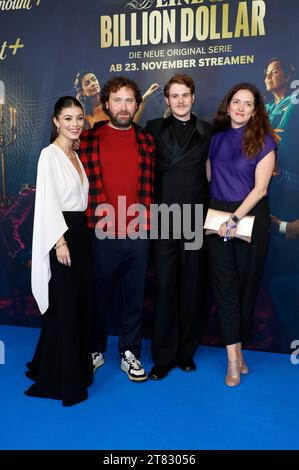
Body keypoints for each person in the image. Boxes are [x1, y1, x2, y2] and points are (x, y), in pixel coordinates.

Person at [79, 76, 155, 382]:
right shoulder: (86, 139)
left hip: (138, 230)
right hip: (100, 231)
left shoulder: (147, 140)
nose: (123, 107)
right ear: (106, 104)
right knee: (97, 295)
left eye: (129, 100)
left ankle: (129, 351)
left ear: (137, 105)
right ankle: (95, 349)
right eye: (117, 100)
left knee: (134, 296)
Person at [205, 83, 277, 387]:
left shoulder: (264, 141)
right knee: (225, 290)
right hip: (217, 217)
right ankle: (233, 359)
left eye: (248, 104)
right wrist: (222, 213)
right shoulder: (215, 138)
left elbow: (261, 189)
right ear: (228, 104)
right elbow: (210, 176)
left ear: (255, 110)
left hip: (249, 217)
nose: (241, 108)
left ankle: (240, 351)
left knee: (246, 289)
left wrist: (235, 218)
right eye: (236, 101)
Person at [25, 96, 93, 406]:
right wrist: (59, 242)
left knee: (75, 303)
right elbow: (47, 201)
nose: (75, 124)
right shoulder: (48, 155)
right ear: (56, 121)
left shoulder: (75, 155)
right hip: (62, 236)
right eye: (68, 118)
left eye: (79, 117)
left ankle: (51, 363)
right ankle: (61, 379)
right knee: (64, 303)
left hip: (81, 234)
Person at [146, 74, 212, 380]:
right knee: (164, 288)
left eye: (186, 95)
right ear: (167, 100)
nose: (181, 101)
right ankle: (163, 356)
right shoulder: (153, 129)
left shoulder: (208, 130)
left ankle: (186, 353)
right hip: (164, 220)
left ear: (193, 97)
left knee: (191, 288)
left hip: (195, 221)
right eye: (175, 96)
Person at [263, 58, 299, 343]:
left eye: (275, 71)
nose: (269, 76)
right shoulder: (265, 108)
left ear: (289, 74)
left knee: (287, 260)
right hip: (268, 189)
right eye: (266, 73)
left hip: (291, 184)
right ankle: (277, 331)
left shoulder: (295, 103)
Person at [74, 70, 159, 129]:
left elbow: (129, 124)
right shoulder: (85, 115)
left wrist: (145, 98)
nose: (93, 84)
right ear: (82, 91)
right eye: (87, 83)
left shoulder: (110, 103)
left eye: (93, 79)